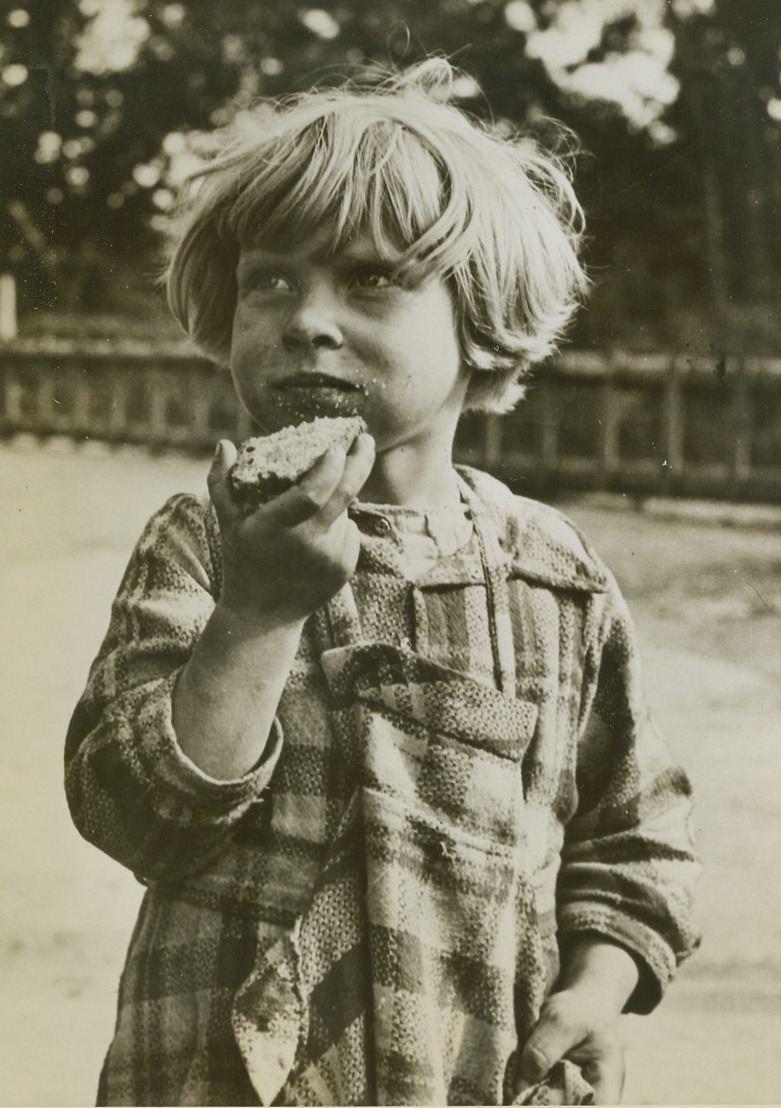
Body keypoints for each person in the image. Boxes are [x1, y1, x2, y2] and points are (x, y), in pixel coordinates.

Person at [64, 58, 700, 1107]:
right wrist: (258, 612)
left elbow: (634, 836)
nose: (307, 318)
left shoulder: (555, 575)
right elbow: (133, 813)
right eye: (271, 280)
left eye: (369, 279)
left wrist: (596, 989)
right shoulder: (204, 540)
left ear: (480, 328)